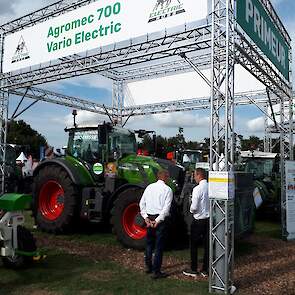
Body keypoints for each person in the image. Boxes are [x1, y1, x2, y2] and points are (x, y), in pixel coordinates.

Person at [139, 170, 173, 279]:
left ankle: (149, 266)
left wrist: (146, 218)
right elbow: (166, 209)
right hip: (160, 219)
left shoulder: (149, 187)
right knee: (158, 246)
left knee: (149, 243)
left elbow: (141, 203)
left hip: (150, 217)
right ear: (165, 177)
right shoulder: (168, 190)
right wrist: (157, 221)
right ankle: (156, 271)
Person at [183, 168, 209, 278]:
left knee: (193, 245)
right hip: (209, 220)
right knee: (207, 245)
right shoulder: (210, 186)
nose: (194, 177)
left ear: (199, 176)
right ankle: (205, 269)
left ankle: (193, 269)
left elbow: (194, 207)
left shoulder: (197, 189)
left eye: (194, 175)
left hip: (198, 220)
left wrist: (190, 210)